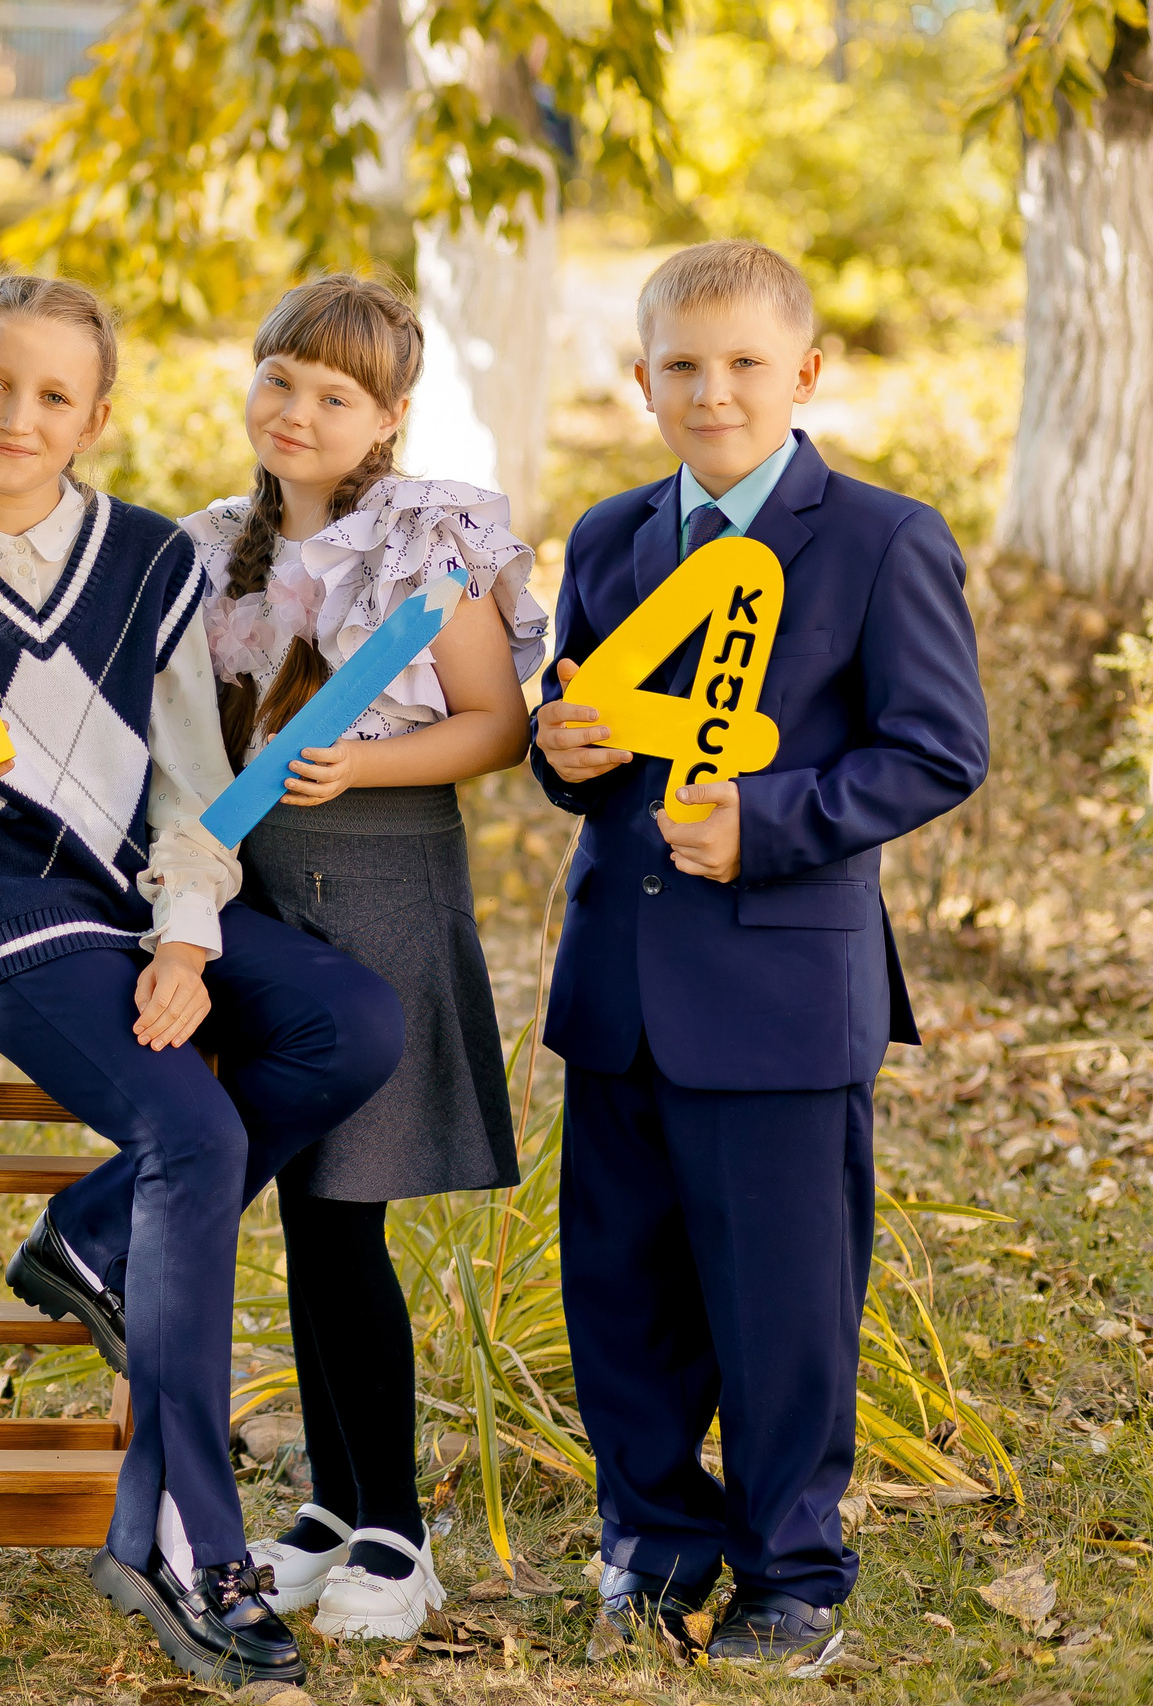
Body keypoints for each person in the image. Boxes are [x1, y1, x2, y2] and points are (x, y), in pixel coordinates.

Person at [0, 274, 403, 1689]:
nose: (17, 416)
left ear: (96, 416)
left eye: (53, 394)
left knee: (351, 1022)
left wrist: (189, 932)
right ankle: (192, 1543)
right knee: (189, 1131)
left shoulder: (146, 561)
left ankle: (93, 1234)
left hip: (138, 891)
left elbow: (194, 779)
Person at [533, 239, 986, 1670]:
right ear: (642, 380)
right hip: (621, 980)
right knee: (621, 1290)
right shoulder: (609, 535)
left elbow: (939, 747)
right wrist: (560, 749)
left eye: (744, 363)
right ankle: (654, 1545)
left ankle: (794, 1572)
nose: (712, 391)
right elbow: (581, 723)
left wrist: (773, 823)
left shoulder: (880, 539)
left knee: (782, 1298)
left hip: (781, 984)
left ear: (806, 373)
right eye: (682, 365)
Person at [183, 274, 545, 1640]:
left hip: (382, 879)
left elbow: (496, 723)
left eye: (335, 394)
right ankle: (335, 1510)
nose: (298, 411)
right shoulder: (213, 545)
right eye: (280, 378)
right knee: (303, 1206)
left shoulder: (426, 539)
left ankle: (396, 1529)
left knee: (347, 1211)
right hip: (258, 894)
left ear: (387, 416)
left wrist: (363, 762)